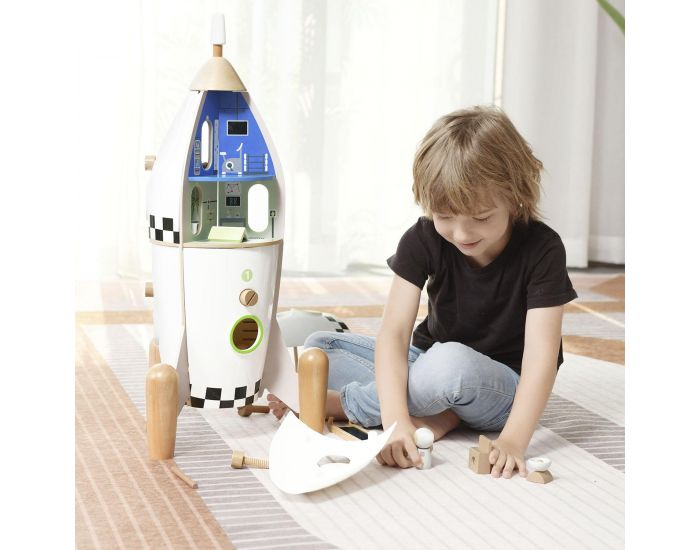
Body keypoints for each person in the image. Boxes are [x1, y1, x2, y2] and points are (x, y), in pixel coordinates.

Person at [268, 106, 577, 479]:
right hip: (429, 362)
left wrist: (513, 440)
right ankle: (441, 413)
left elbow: (542, 358)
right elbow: (394, 334)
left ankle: (344, 404)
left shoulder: (543, 249)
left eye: (481, 218)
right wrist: (397, 422)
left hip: (501, 389)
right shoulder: (423, 237)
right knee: (321, 346)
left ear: (516, 196)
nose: (462, 234)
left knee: (448, 365)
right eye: (445, 217)